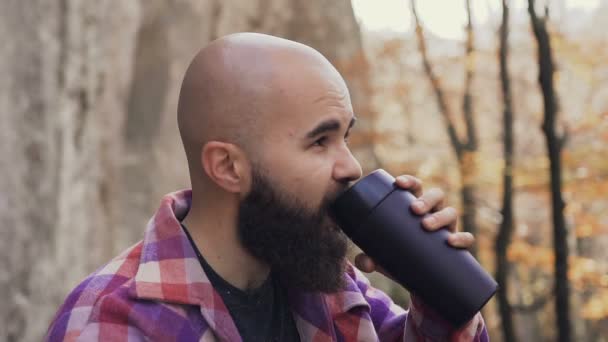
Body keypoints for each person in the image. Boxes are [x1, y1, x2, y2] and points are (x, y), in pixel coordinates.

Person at [46, 33, 488, 341]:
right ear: (228, 167)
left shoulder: (328, 286)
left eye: (345, 137)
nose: (351, 167)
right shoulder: (115, 324)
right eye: (320, 141)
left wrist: (436, 289)